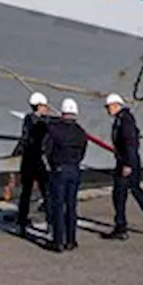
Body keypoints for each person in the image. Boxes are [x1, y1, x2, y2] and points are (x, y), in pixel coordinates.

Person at [102, 93, 143, 240]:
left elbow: (130, 143)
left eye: (108, 106)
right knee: (136, 192)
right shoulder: (123, 119)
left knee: (119, 195)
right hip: (128, 160)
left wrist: (127, 164)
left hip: (126, 162)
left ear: (116, 105)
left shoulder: (125, 121)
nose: (107, 110)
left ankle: (121, 227)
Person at [42, 97, 88, 252]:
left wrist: (53, 164)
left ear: (62, 113)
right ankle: (71, 240)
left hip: (59, 170)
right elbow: (83, 152)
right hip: (74, 169)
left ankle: (58, 241)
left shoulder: (54, 129)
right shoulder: (80, 132)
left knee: (58, 205)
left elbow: (48, 149)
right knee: (71, 206)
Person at [15, 92, 53, 237]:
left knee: (26, 193)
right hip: (38, 161)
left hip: (27, 161)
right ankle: (51, 223)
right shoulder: (44, 122)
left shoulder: (27, 120)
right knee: (46, 192)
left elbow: (24, 139)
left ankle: (21, 223)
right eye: (44, 106)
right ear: (39, 106)